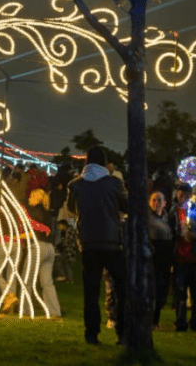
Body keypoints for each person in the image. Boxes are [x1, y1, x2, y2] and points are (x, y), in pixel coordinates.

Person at [69, 145, 127, 345]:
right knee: (122, 286)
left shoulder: (76, 185)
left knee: (91, 291)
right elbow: (125, 205)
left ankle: (91, 333)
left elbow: (70, 208)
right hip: (111, 242)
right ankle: (122, 331)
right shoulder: (114, 183)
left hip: (88, 243)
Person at [170, 182, 196, 332]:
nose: (183, 196)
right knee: (180, 292)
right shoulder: (174, 211)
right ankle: (180, 322)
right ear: (177, 194)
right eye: (180, 193)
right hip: (180, 258)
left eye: (186, 194)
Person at [26, 188, 61, 317]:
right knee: (47, 282)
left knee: (27, 280)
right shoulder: (48, 214)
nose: (29, 199)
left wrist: (26, 219)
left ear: (37, 199)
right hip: (49, 249)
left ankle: (25, 310)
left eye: (31, 196)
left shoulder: (35, 210)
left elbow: (31, 224)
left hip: (37, 247)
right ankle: (55, 311)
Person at [148, 191, 173, 328]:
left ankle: (155, 320)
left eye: (159, 200)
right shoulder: (148, 218)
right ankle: (150, 320)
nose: (156, 203)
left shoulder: (166, 217)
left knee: (162, 289)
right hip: (154, 256)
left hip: (165, 257)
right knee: (153, 289)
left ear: (164, 203)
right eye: (153, 200)